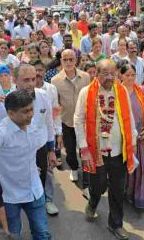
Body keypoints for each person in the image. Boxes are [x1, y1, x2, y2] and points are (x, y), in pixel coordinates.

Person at [0, 90, 52, 239]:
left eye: (31, 110)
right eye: (25, 111)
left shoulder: (33, 124)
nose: (30, 114)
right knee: (13, 235)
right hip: (9, 196)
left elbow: (39, 141)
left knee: (42, 233)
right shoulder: (1, 132)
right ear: (10, 113)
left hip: (35, 190)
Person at [74, 59, 137, 240]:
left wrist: (132, 139)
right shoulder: (87, 92)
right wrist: (83, 147)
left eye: (112, 73)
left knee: (118, 189)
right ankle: (93, 202)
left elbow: (129, 117)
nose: (109, 77)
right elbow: (78, 121)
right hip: (96, 152)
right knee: (99, 186)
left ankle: (115, 224)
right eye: (105, 73)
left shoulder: (121, 90)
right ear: (96, 73)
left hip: (119, 151)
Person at [51, 49, 91, 198]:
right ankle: (74, 169)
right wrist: (57, 131)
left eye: (71, 59)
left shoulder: (86, 77)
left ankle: (87, 184)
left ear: (76, 60)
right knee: (70, 152)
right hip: (66, 122)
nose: (68, 62)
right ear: (61, 61)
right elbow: (55, 106)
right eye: (65, 59)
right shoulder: (55, 81)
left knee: (85, 151)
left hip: (84, 122)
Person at [12, 63, 58, 189]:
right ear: (14, 80)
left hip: (40, 150)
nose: (31, 83)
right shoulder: (7, 101)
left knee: (40, 185)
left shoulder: (43, 96)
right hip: (18, 153)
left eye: (33, 79)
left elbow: (48, 123)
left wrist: (51, 151)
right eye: (26, 80)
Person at [30, 59, 62, 216]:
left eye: (40, 70)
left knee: (48, 170)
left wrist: (59, 133)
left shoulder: (50, 89)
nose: (38, 73)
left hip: (47, 138)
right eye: (34, 70)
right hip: (29, 144)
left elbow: (54, 115)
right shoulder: (22, 92)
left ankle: (48, 200)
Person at [120, 63, 144, 209]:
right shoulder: (117, 92)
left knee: (139, 169)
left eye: (133, 75)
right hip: (123, 139)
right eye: (127, 75)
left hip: (139, 136)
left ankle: (138, 196)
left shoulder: (141, 91)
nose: (131, 78)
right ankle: (126, 193)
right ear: (121, 75)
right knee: (126, 168)